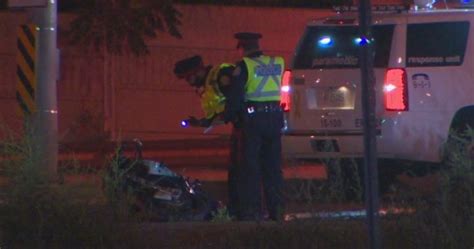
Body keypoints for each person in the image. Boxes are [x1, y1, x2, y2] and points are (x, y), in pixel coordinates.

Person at [224, 32, 285, 221]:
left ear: (242, 47)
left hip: (253, 121)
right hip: (274, 119)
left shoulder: (243, 66)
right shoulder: (278, 62)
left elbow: (235, 96)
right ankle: (277, 210)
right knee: (273, 166)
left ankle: (252, 211)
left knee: (250, 167)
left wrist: (229, 116)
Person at [173, 55, 241, 218]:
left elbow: (236, 101)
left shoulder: (220, 75)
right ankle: (238, 209)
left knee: (244, 170)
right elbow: (219, 113)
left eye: (189, 77)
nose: (189, 82)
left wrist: (225, 116)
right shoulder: (208, 85)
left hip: (248, 125)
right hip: (240, 127)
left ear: (198, 71)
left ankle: (246, 211)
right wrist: (201, 123)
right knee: (237, 169)